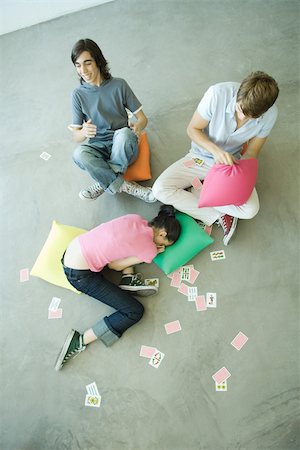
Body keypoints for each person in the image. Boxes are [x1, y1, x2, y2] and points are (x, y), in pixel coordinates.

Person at [152, 71, 279, 245]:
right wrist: (216, 152)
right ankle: (220, 214)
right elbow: (192, 129)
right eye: (241, 109)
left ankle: (201, 192)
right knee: (159, 189)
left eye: (251, 117)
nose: (242, 117)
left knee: (251, 210)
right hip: (201, 156)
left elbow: (252, 152)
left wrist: (238, 176)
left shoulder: (271, 115)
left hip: (232, 164)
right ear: (238, 94)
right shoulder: (216, 94)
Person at [54, 205, 181, 371]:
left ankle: (129, 279)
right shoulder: (150, 249)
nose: (164, 246)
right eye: (166, 244)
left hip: (70, 251)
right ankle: (80, 340)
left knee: (121, 246)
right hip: (79, 275)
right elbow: (115, 266)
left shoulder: (134, 217)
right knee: (134, 311)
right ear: (163, 234)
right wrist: (149, 253)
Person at [69, 38, 156, 203]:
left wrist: (137, 127)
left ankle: (104, 181)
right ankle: (126, 185)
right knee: (79, 153)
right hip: (98, 149)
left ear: (98, 62)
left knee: (123, 133)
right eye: (78, 65)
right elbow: (76, 137)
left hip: (122, 145)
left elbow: (142, 119)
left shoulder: (119, 85)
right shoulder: (77, 95)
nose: (83, 70)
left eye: (87, 63)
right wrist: (83, 132)